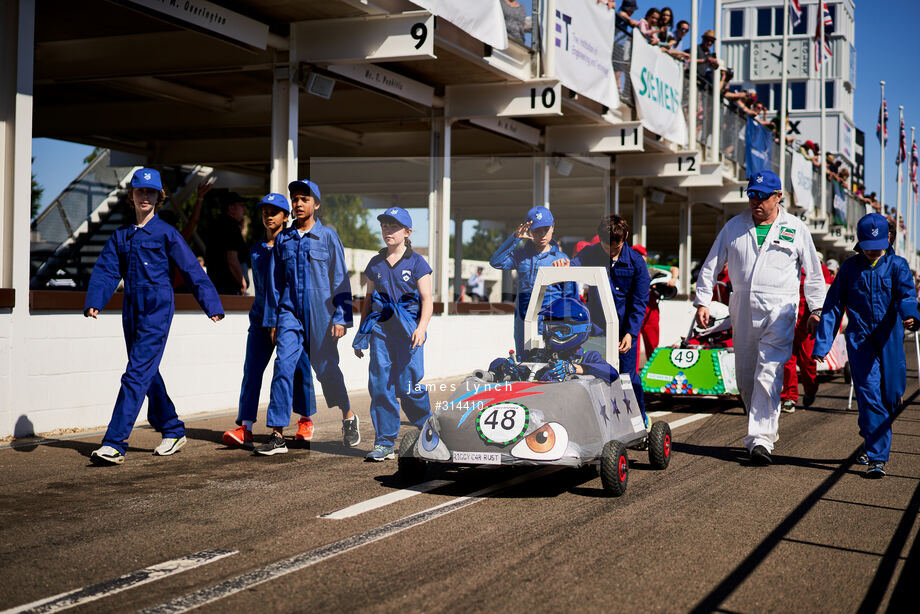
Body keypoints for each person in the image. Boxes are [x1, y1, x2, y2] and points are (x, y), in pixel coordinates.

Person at [83, 168, 224, 465]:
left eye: (150, 192)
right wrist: (96, 300)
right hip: (131, 306)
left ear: (159, 198)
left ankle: (114, 442)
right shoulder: (121, 236)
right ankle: (172, 428)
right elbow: (107, 270)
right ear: (131, 197)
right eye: (139, 191)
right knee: (146, 371)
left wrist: (211, 305)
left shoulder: (166, 233)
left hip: (158, 306)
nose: (144, 197)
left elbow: (191, 270)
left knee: (134, 373)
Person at [694, 170, 825, 466]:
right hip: (741, 305)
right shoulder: (733, 227)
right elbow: (711, 264)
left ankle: (761, 439)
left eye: (763, 196)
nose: (756, 202)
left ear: (778, 197)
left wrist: (816, 309)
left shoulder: (796, 227)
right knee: (745, 374)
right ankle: (760, 425)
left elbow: (814, 274)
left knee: (770, 371)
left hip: (781, 308)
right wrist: (703, 300)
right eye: (752, 195)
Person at [813, 213, 920, 478]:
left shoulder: (897, 265)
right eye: (867, 246)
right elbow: (833, 306)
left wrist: (911, 315)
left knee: (892, 395)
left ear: (889, 239)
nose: (872, 251)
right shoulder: (849, 269)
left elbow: (907, 295)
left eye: (878, 244)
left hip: (890, 340)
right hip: (860, 341)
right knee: (870, 395)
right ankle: (877, 457)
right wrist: (822, 344)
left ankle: (871, 433)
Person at [257, 179, 357, 456]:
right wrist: (273, 320)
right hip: (289, 313)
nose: (299, 204)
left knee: (326, 371)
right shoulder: (285, 239)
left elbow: (341, 280)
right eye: (295, 199)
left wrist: (341, 316)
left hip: (322, 315)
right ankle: (277, 433)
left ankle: (348, 415)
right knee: (282, 367)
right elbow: (275, 283)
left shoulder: (327, 237)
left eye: (305, 199)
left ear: (316, 204)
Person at [222, 193, 315, 449]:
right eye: (265, 211)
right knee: (251, 371)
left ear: (286, 217)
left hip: (289, 319)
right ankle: (246, 427)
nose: (269, 216)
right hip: (259, 319)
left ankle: (305, 420)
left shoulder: (292, 246)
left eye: (275, 212)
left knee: (298, 371)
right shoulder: (256, 250)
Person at [353, 207, 433, 461]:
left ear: (407, 232)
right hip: (381, 329)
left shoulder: (418, 263)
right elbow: (368, 300)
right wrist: (361, 334)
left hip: (409, 329)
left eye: (393, 227)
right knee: (380, 384)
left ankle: (426, 426)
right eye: (384, 226)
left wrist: (421, 328)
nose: (387, 231)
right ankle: (385, 442)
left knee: (408, 385)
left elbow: (427, 300)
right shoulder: (375, 263)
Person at [568, 215, 651, 424]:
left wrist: (631, 333)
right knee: (594, 372)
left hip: (624, 331)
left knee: (628, 377)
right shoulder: (589, 253)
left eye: (616, 246)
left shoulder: (636, 262)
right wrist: (563, 263)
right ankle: (601, 421)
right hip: (596, 328)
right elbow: (570, 268)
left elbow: (640, 302)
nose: (611, 250)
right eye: (607, 245)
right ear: (600, 239)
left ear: (625, 238)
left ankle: (639, 421)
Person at [489, 206, 575, 356]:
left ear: (553, 227)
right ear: (528, 231)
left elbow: (570, 296)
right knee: (525, 365)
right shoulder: (520, 255)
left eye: (546, 229)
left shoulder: (562, 259)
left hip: (552, 322)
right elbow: (496, 262)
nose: (542, 234)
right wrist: (515, 238)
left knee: (552, 368)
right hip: (524, 321)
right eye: (536, 230)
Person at [487, 297, 619, 385]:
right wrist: (506, 366)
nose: (553, 334)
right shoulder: (536, 355)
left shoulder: (587, 357)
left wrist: (573, 368)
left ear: (579, 330)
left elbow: (612, 373)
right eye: (550, 328)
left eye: (561, 330)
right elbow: (495, 364)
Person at [779, 269, 819, 413]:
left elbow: (818, 295)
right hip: (785, 324)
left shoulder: (809, 272)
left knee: (807, 361)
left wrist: (817, 314)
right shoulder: (780, 271)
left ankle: (810, 389)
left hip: (805, 326)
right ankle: (789, 397)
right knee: (787, 362)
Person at [205, 192, 249, 295]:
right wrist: (242, 281)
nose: (244, 209)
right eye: (242, 206)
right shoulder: (231, 226)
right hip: (229, 288)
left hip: (216, 286)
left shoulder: (216, 224)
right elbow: (232, 258)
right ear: (231, 208)